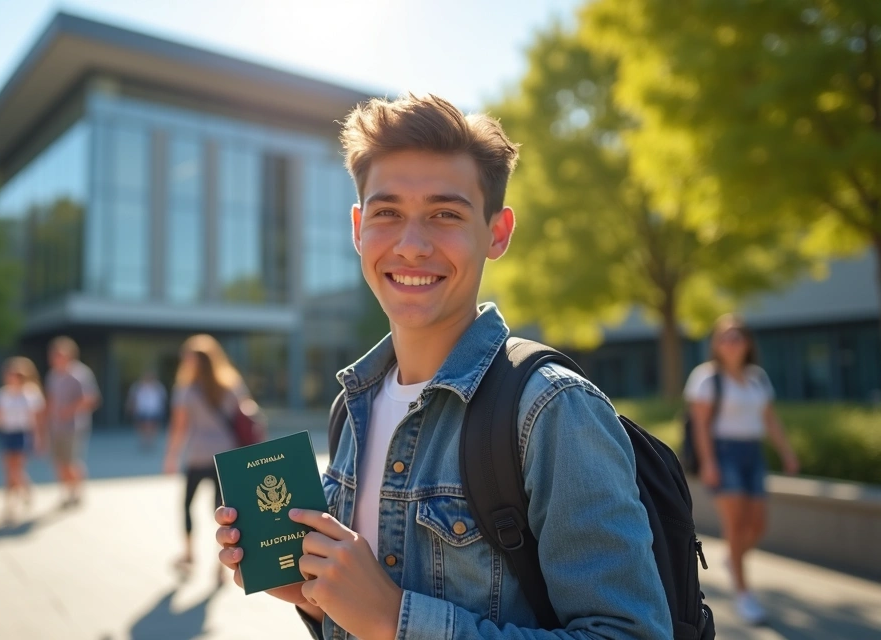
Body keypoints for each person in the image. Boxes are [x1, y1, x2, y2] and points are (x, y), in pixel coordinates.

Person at [214, 95, 672, 638]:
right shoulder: (351, 406)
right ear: (358, 228)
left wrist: (393, 618)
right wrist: (317, 600)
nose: (411, 246)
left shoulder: (552, 411)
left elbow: (630, 633)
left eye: (445, 214)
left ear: (497, 233)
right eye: (388, 213)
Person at [685, 314, 799, 625]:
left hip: (753, 453)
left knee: (758, 524)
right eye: (724, 337)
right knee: (735, 526)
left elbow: (770, 420)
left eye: (737, 337)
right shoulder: (706, 378)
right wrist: (708, 463)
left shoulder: (757, 377)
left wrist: (787, 453)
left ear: (747, 343)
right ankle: (744, 595)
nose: (731, 343)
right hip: (724, 454)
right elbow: (700, 426)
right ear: (715, 344)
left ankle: (732, 558)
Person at [164, 334, 249, 583]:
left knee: (187, 505)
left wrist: (171, 456)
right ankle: (220, 566)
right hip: (226, 456)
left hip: (198, 456)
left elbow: (178, 427)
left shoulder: (186, 390)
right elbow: (245, 415)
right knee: (224, 512)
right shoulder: (232, 385)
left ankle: (189, 553)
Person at [0, 356, 45, 523]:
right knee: (9, 469)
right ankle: (11, 501)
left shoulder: (31, 394)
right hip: (7, 433)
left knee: (16, 468)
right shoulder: (2, 394)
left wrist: (39, 439)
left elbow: (37, 420)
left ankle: (23, 491)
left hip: (23, 433)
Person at [45, 337, 99, 507]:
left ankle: (77, 491)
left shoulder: (81, 374)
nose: (55, 357)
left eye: (59, 354)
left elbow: (91, 399)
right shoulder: (52, 375)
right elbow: (50, 400)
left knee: (71, 461)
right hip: (56, 426)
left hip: (74, 426)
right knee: (58, 461)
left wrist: (69, 411)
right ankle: (67, 491)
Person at [127, 370, 167, 451]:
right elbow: (132, 398)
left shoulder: (158, 387)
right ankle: (144, 440)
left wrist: (162, 408)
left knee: (152, 426)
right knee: (142, 426)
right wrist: (131, 407)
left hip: (154, 409)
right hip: (141, 409)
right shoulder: (137, 386)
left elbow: (163, 398)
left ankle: (150, 441)